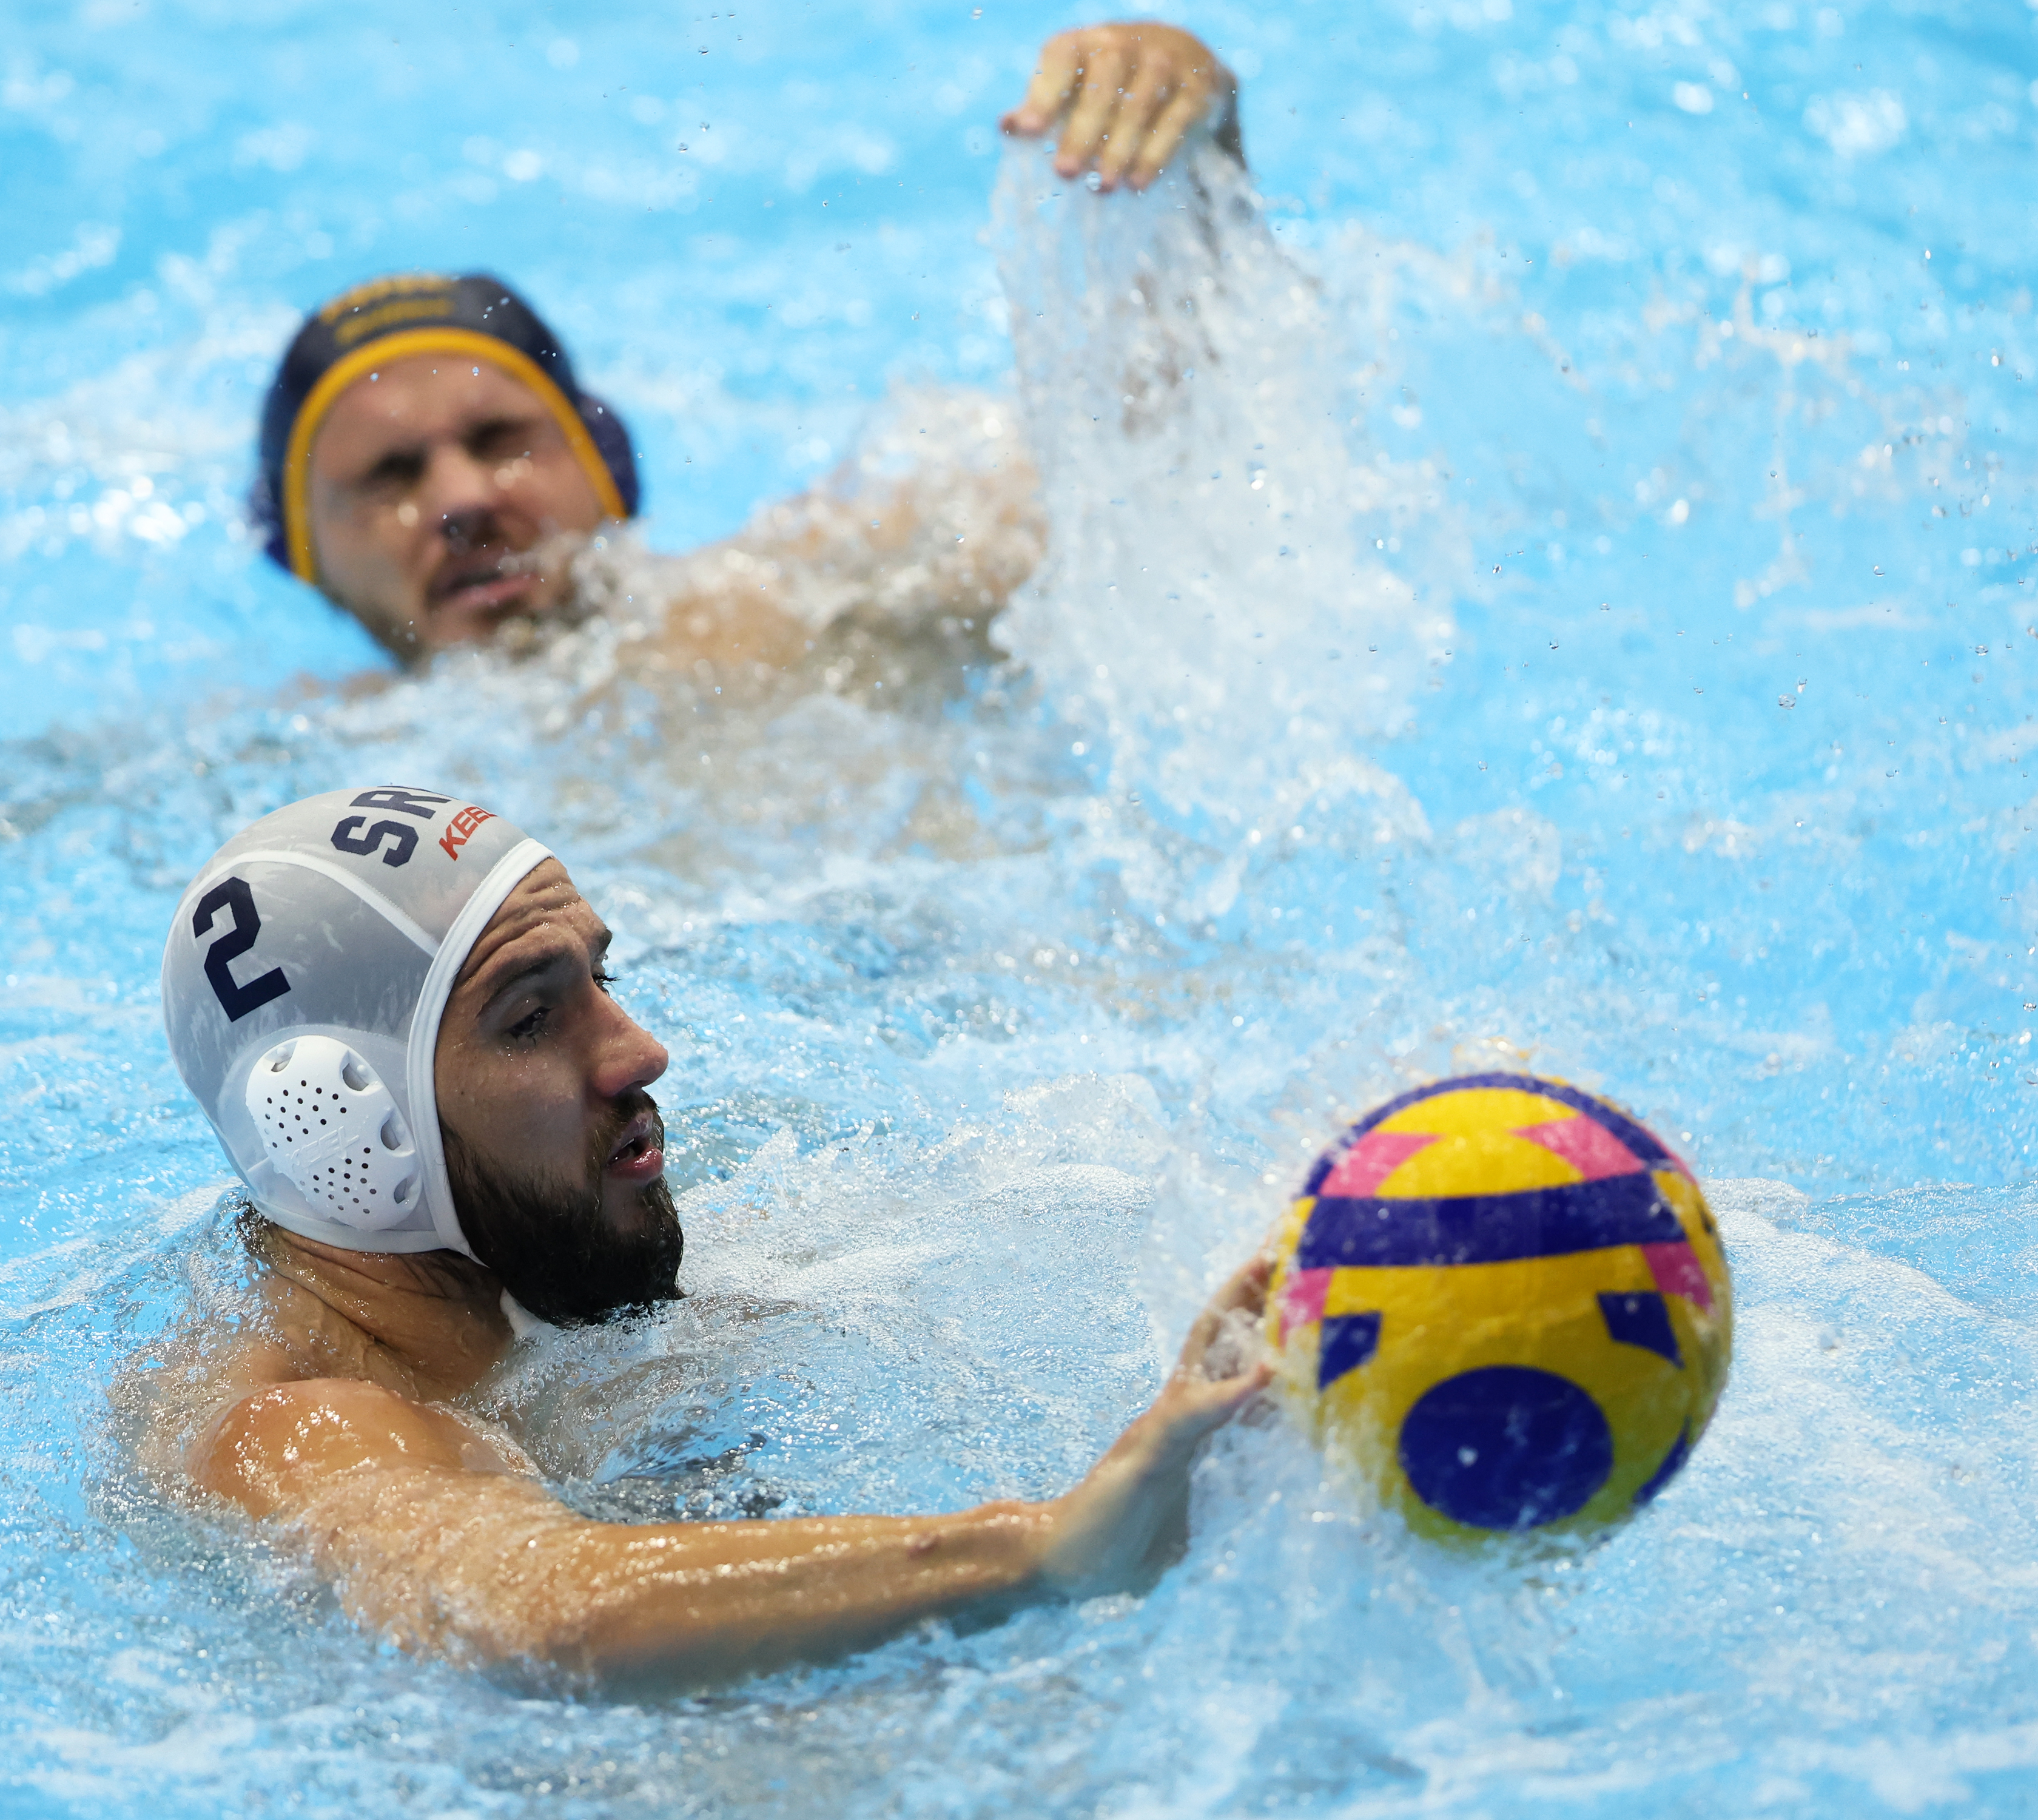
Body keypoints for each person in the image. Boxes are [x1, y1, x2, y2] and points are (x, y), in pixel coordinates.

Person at [141, 783, 1276, 1693]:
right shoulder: (291, 1427)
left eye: (603, 977)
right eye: (532, 1018)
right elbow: (546, 1611)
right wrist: (1044, 1551)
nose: (640, 1053)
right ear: (341, 1125)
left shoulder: (521, 1264)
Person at [251, 21, 1243, 666]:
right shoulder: (302, 789)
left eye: (503, 438)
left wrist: (1195, 155)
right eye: (390, 475)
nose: (465, 500)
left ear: (607, 464)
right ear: (306, 555)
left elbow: (1138, 480)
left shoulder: (805, 606)